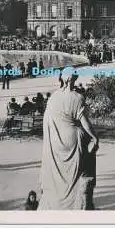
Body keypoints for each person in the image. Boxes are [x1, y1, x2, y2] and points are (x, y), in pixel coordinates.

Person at [38, 73, 99, 210]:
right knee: (81, 168)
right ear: (74, 79)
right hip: (73, 139)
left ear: (62, 79)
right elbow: (86, 124)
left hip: (56, 139)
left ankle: (57, 199)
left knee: (58, 172)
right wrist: (95, 137)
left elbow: (47, 120)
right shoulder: (77, 97)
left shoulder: (54, 97)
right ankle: (80, 202)